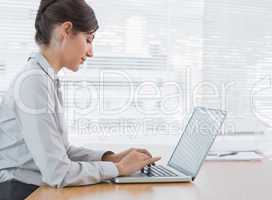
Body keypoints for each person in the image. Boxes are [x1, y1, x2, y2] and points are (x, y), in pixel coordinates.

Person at [0, 0, 160, 199]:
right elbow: (58, 173)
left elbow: (62, 152)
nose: (91, 52)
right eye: (88, 39)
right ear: (66, 30)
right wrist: (118, 168)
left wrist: (110, 158)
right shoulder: (34, 83)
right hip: (19, 191)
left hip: (32, 187)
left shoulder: (44, 78)